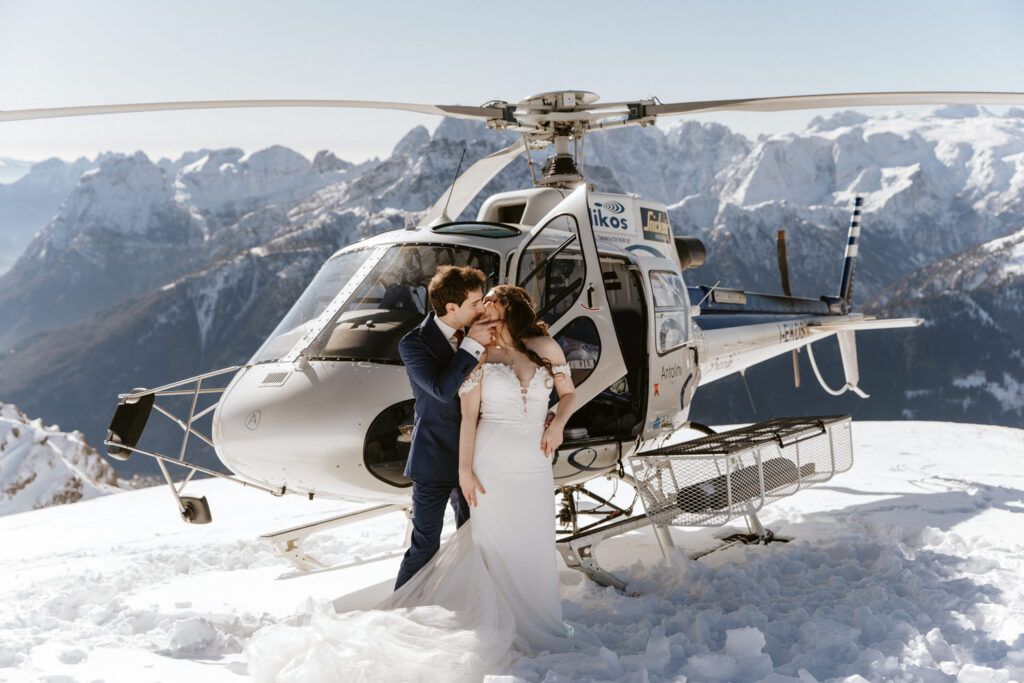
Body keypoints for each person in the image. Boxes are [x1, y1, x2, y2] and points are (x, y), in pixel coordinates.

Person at [243, 284, 594, 682]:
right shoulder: (477, 353)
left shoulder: (545, 347)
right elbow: (468, 415)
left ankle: (540, 619)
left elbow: (567, 394)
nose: (484, 314)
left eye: (491, 307)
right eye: (480, 310)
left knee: (533, 540)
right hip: (491, 461)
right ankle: (489, 618)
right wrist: (465, 471)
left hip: (535, 464)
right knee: (491, 543)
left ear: (511, 310)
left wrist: (559, 424)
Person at [394, 265, 497, 590]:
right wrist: (472, 346)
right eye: (475, 302)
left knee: (476, 538)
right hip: (434, 457)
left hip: (480, 457)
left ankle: (473, 604)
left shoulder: (478, 329)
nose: (482, 308)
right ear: (451, 308)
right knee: (425, 545)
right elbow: (441, 389)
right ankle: (403, 612)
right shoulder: (413, 344)